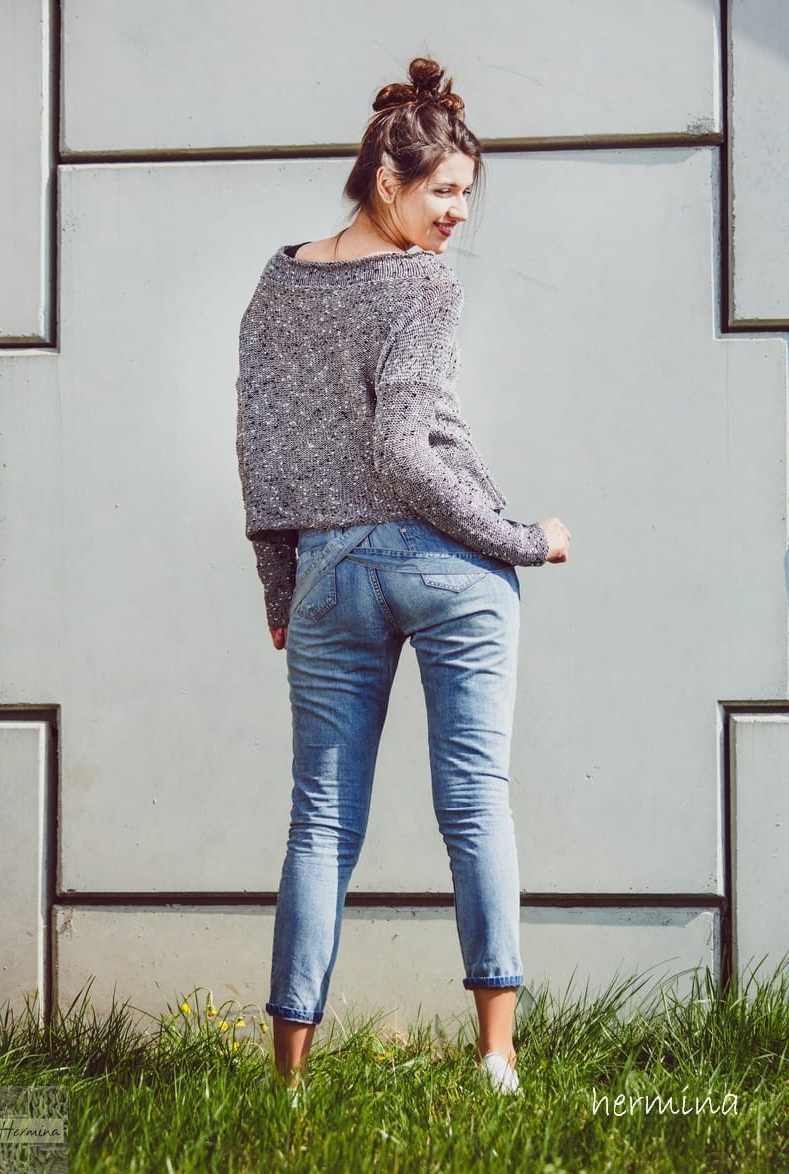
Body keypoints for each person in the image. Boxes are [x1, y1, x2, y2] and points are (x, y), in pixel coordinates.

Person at [236, 56, 571, 1095]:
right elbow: (404, 454)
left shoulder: (277, 281)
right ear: (389, 181)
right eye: (444, 192)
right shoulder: (422, 283)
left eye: (465, 193)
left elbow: (259, 450)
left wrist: (281, 587)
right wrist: (523, 537)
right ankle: (496, 1058)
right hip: (445, 562)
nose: (458, 213)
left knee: (319, 822)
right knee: (473, 805)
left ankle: (288, 1080)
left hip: (327, 570)